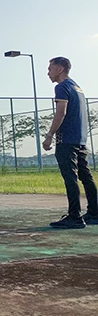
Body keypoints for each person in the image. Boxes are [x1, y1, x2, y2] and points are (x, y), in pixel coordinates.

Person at [42, 56, 98, 228]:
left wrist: (50, 134)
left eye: (50, 69)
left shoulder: (62, 87)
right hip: (80, 140)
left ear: (60, 69)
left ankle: (74, 216)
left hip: (66, 141)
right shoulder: (78, 88)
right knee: (86, 177)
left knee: (70, 177)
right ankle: (95, 213)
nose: (48, 73)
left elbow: (61, 112)